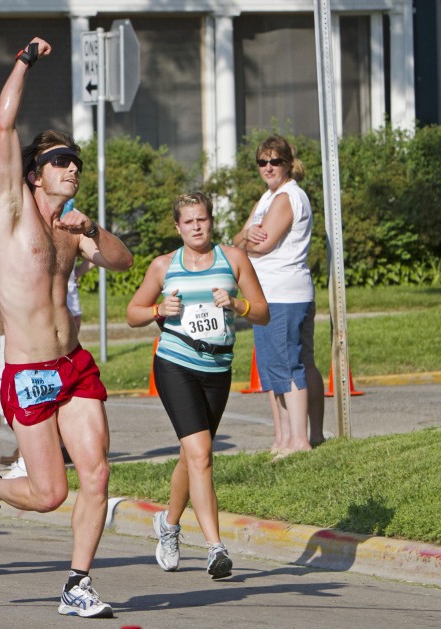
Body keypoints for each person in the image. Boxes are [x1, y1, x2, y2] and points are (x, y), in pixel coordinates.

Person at [0, 38, 133, 619]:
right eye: (61, 160)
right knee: (50, 493)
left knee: (98, 472)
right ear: (35, 173)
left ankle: (77, 582)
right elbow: (3, 124)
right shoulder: (13, 209)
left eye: (76, 159)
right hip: (28, 371)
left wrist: (94, 228)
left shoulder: (73, 227)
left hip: (73, 364)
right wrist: (24, 61)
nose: (73, 167)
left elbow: (121, 262)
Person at [127, 191, 269, 579]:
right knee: (202, 453)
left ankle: (168, 524)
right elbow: (133, 313)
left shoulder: (233, 259)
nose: (196, 227)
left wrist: (236, 305)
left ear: (211, 221)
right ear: (178, 227)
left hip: (217, 368)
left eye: (202, 219)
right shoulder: (163, 266)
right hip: (175, 363)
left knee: (193, 456)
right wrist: (159, 310)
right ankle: (215, 548)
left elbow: (263, 313)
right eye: (188, 221)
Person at [231, 135, 324, 456]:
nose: (268, 167)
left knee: (287, 366)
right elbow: (238, 241)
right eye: (262, 162)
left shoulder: (287, 197)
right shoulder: (267, 197)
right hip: (271, 292)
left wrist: (248, 240)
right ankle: (284, 439)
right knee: (275, 367)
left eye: (275, 161)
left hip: (284, 292)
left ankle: (299, 441)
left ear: (288, 164)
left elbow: (262, 245)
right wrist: (246, 235)